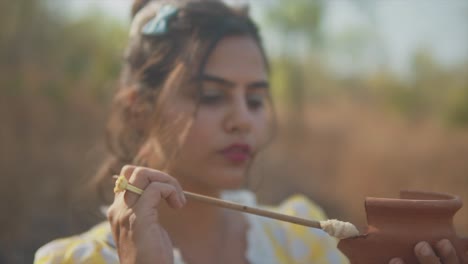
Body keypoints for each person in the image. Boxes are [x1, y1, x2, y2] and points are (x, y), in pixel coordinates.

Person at [34, 1, 461, 263]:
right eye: (212, 96)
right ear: (139, 112)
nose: (243, 120)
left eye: (255, 99)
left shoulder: (302, 246)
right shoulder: (73, 261)